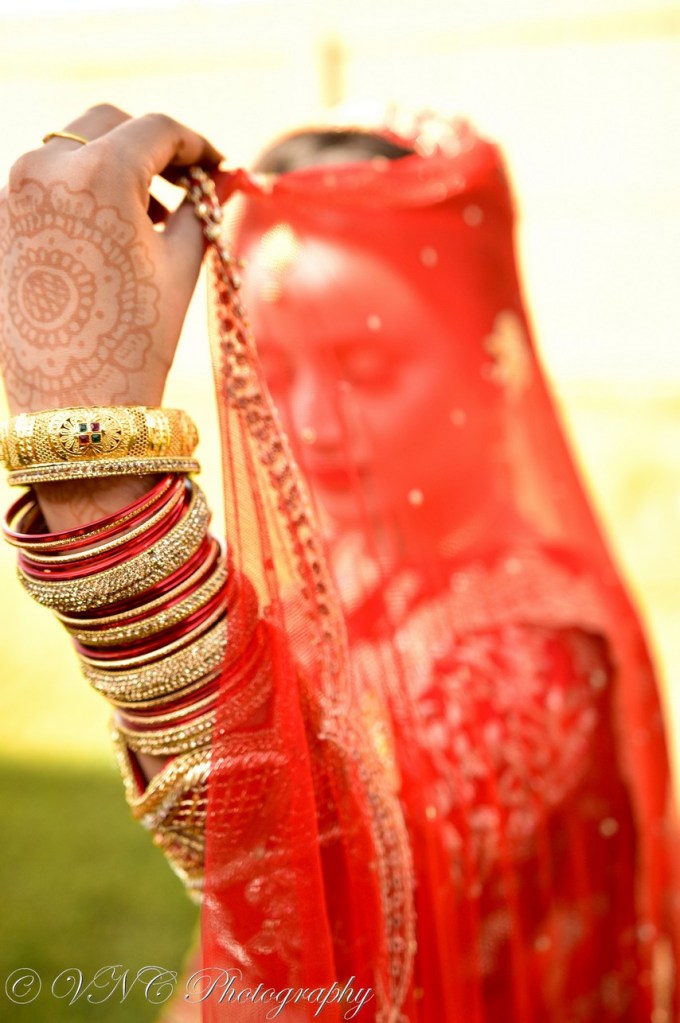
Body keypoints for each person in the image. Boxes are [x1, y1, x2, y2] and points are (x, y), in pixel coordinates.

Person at [0, 105, 676, 1022]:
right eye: (274, 368)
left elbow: (323, 888)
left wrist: (99, 481)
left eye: (365, 367)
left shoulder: (541, 654)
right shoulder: (346, 583)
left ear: (482, 355)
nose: (311, 423)